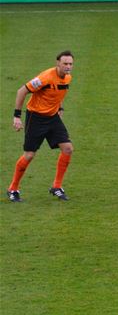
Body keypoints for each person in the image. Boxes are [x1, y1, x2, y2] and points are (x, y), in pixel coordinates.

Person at [7, 51, 75, 202]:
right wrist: (17, 116)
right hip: (36, 118)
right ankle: (13, 189)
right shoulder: (45, 77)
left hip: (52, 117)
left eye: (70, 64)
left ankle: (56, 186)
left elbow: (58, 93)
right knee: (29, 155)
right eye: (65, 63)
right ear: (58, 63)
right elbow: (21, 91)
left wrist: (60, 109)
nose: (68, 67)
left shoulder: (68, 77)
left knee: (68, 148)